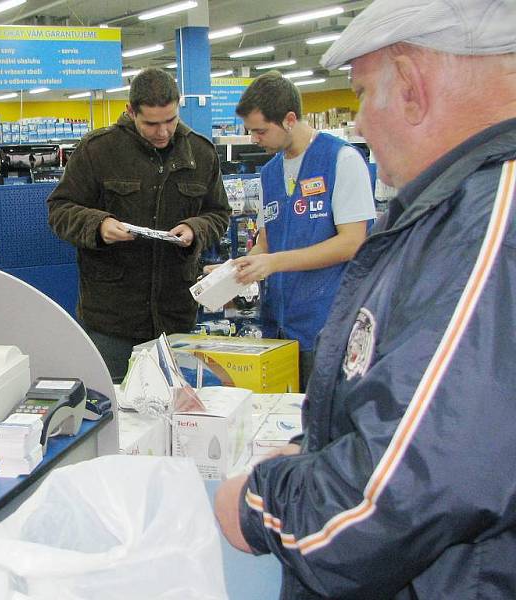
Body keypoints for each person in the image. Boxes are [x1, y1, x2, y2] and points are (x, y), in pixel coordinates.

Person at [214, 0, 516, 597]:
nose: (362, 125)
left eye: (361, 95)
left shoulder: (492, 220)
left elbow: (416, 479)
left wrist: (258, 505)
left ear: (409, 85)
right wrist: (314, 445)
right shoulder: (454, 208)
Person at [47, 67, 230, 382]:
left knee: (178, 415)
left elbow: (218, 213)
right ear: (131, 112)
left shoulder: (201, 153)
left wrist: (195, 229)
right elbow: (59, 210)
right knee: (115, 415)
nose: (163, 132)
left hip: (176, 318)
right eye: (152, 123)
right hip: (111, 320)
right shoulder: (98, 150)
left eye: (170, 120)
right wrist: (99, 224)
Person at [232, 71, 376, 391]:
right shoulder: (269, 173)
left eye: (260, 131)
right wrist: (238, 268)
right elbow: (268, 240)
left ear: (289, 119)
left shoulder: (342, 160)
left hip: (325, 324)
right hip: (278, 327)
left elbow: (352, 242)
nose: (254, 139)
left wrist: (274, 263)